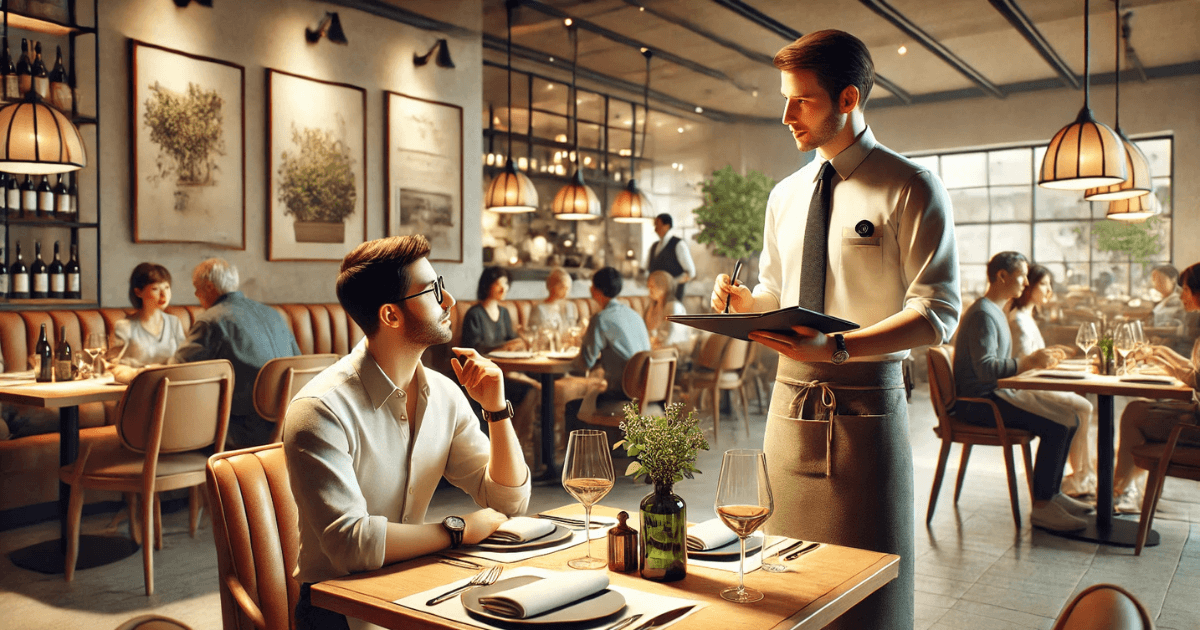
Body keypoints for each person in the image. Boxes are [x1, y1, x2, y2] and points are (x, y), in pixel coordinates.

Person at [710, 30, 959, 630]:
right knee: (783, 580)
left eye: (802, 101)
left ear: (848, 98)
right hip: (787, 403)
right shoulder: (785, 195)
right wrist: (748, 303)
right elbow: (779, 291)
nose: (786, 115)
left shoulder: (911, 185)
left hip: (866, 407)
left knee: (868, 593)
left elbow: (937, 313)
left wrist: (841, 346)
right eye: (784, 98)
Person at [284, 235, 528, 630]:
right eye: (432, 290)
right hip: (336, 611)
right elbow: (352, 545)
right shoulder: (320, 410)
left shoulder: (445, 394)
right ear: (391, 316)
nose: (448, 300)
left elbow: (508, 501)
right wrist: (458, 531)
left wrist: (496, 412)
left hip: (412, 590)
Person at [955, 252, 1096, 530]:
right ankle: (1043, 508)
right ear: (1002, 276)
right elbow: (985, 369)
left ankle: (1052, 496)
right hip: (979, 403)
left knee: (1070, 419)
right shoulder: (984, 314)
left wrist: (1033, 360)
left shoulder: (994, 310)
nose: (1025, 283)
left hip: (992, 397)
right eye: (1021, 276)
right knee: (1058, 426)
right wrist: (1029, 362)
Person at [172, 258, 300, 449]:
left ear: (208, 287)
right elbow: (298, 362)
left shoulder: (211, 320)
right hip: (289, 427)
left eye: (196, 288)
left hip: (240, 434)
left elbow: (175, 371)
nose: (196, 294)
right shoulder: (275, 315)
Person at [1112, 262, 1200, 514]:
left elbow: (1197, 379)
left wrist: (1161, 360)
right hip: (1195, 414)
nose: (1182, 295)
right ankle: (1126, 491)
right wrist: (1161, 353)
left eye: (1186, 289)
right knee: (1136, 409)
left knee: (1134, 416)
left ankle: (1121, 492)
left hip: (1196, 423)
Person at [1007, 264, 1096, 498]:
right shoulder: (1018, 321)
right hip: (1021, 391)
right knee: (1083, 406)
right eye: (1044, 284)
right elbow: (1023, 366)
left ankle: (1083, 477)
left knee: (1082, 405)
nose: (1049, 290)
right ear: (1029, 287)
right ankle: (1080, 478)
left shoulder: (1026, 317)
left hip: (1030, 385)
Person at [565, 267, 651, 430]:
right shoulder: (635, 315)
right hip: (647, 390)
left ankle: (582, 454)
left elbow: (585, 363)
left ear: (595, 290)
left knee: (573, 407)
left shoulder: (600, 319)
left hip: (622, 393)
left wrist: (569, 358)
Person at [108, 263, 187, 367]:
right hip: (136, 381)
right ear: (138, 292)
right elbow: (113, 365)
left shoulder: (174, 322)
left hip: (171, 381)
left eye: (167, 287)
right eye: (155, 289)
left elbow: (183, 359)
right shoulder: (124, 326)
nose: (163, 294)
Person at [461, 266, 524, 354]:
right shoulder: (474, 314)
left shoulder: (504, 312)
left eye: (505, 283)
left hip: (504, 362)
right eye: (498, 284)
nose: (503, 288)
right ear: (487, 285)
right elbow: (473, 348)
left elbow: (511, 339)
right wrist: (502, 347)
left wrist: (520, 338)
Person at [647, 213, 695, 301]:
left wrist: (672, 283)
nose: (655, 229)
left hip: (674, 297)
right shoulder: (654, 246)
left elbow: (691, 273)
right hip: (656, 298)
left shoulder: (679, 244)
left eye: (657, 225)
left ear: (667, 226)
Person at [644, 270, 690, 355]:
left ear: (663, 287)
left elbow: (670, 338)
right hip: (655, 351)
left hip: (672, 354)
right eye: (648, 286)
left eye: (652, 286)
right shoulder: (652, 306)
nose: (649, 290)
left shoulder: (674, 307)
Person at [527, 267, 579, 333]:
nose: (566, 292)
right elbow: (534, 334)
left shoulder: (571, 306)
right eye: (562, 287)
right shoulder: (539, 309)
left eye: (568, 288)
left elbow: (574, 330)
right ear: (551, 286)